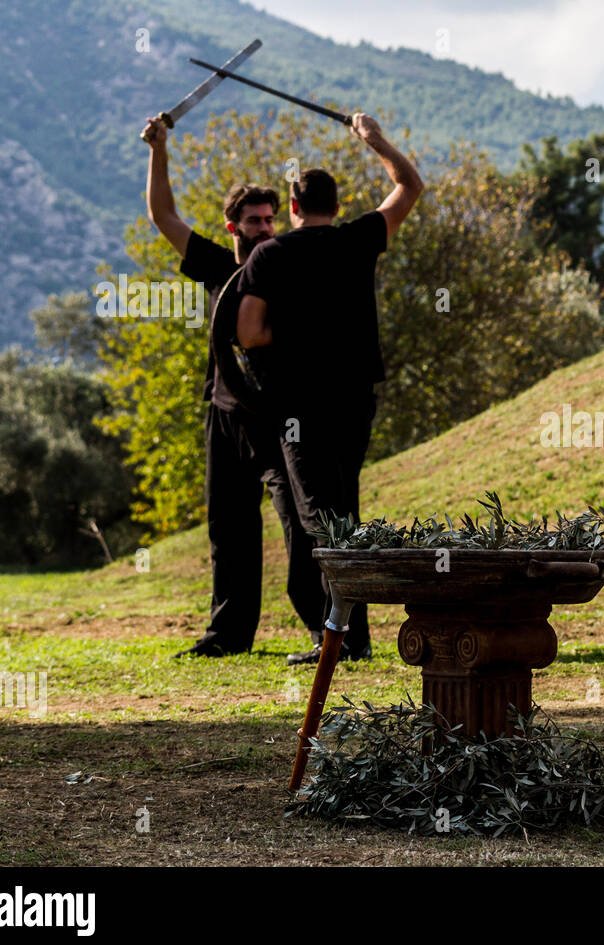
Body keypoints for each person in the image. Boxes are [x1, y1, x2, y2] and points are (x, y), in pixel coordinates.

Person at [237, 110, 424, 665]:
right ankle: (350, 637)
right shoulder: (361, 239)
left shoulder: (270, 254)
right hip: (354, 400)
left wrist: (287, 338)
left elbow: (248, 332)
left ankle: (342, 640)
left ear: (292, 208)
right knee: (344, 507)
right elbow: (410, 186)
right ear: (338, 207)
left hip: (298, 405)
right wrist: (374, 139)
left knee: (321, 517)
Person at [140, 115, 329, 659]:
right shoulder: (220, 266)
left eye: (271, 219)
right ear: (233, 227)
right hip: (224, 412)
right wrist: (159, 150)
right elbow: (162, 215)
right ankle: (228, 635)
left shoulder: (292, 268)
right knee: (229, 525)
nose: (265, 228)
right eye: (254, 221)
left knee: (299, 523)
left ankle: (325, 631)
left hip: (277, 415)